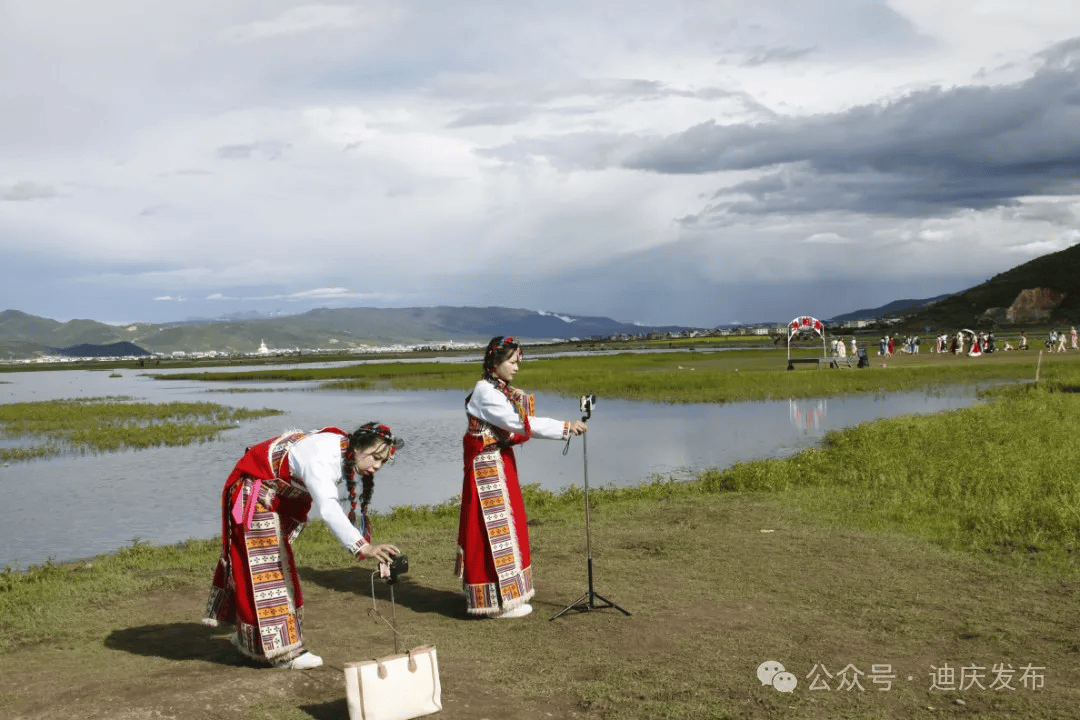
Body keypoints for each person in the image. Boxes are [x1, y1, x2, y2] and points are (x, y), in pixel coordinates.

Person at [203, 422, 404, 668]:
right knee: (270, 572)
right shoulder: (321, 458)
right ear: (359, 447)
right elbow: (329, 508)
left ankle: (251, 640)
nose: (377, 465)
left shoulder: (342, 447)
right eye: (376, 457)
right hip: (256, 497)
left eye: (383, 461)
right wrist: (364, 547)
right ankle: (284, 653)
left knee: (264, 568)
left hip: (269, 496)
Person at [456, 336, 587, 618]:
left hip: (498, 464)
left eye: (517, 362)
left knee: (507, 529)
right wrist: (565, 428)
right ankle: (497, 603)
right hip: (488, 469)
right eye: (512, 362)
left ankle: (507, 597)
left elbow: (515, 421)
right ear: (495, 362)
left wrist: (518, 397)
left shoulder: (495, 390)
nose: (516, 368)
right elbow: (519, 423)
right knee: (492, 532)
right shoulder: (486, 393)